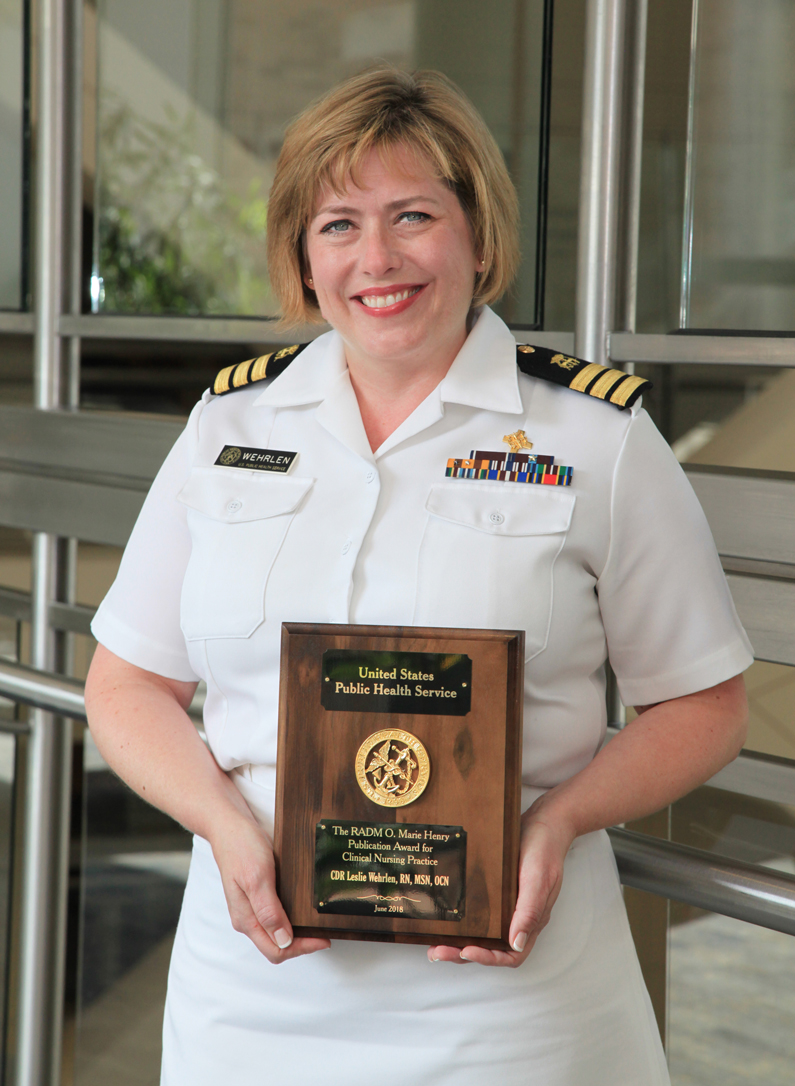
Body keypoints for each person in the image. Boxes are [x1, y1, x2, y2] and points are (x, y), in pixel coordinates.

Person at [85, 66, 752, 1085]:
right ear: (303, 258)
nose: (378, 258)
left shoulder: (598, 439)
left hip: (512, 999)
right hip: (256, 994)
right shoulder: (227, 430)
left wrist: (556, 821)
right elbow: (127, 684)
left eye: (413, 216)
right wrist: (221, 824)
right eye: (338, 225)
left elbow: (703, 702)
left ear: (478, 235)